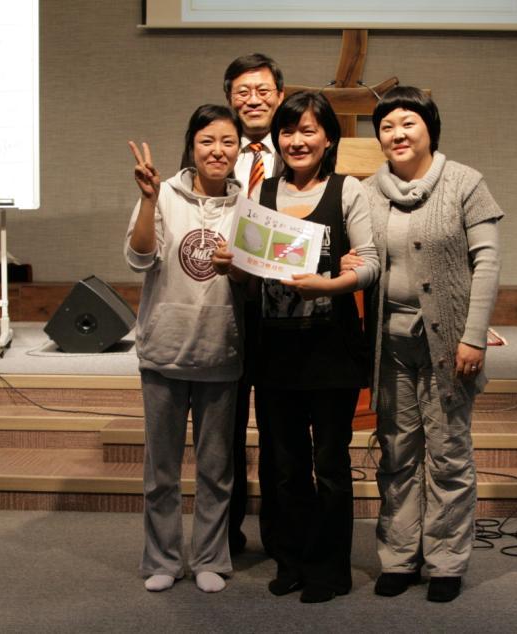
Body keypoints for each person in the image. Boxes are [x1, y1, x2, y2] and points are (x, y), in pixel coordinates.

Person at [351, 86, 504, 603]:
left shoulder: (465, 182)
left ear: (429, 128)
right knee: (396, 453)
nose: (397, 133)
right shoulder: (366, 191)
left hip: (449, 346)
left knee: (447, 454)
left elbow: (487, 263)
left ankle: (446, 563)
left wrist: (474, 335)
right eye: (387, 126)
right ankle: (398, 557)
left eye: (407, 122)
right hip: (388, 345)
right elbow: (362, 256)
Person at [250, 90, 379, 603]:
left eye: (308, 130)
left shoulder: (349, 191)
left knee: (329, 464)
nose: (297, 141)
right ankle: (292, 561)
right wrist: (230, 264)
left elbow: (369, 263)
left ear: (328, 138)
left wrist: (329, 285)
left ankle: (329, 570)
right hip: (274, 351)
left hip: (331, 351)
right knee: (284, 465)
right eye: (287, 131)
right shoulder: (262, 192)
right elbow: (249, 266)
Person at [124, 104, 245, 594]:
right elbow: (139, 258)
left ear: (239, 150)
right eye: (207, 141)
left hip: (221, 350)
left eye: (228, 142)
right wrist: (148, 201)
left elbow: (256, 277)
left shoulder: (248, 204)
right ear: (191, 147)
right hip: (164, 349)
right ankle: (163, 558)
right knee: (161, 472)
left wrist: (238, 266)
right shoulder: (163, 193)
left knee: (216, 471)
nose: (217, 150)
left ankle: (211, 558)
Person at [222, 53, 285, 556]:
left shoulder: (300, 150)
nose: (254, 100)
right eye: (243, 91)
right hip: (227, 305)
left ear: (280, 96)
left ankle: (282, 536)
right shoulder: (218, 150)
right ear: (229, 98)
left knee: (280, 426)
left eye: (263, 90)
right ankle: (225, 533)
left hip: (285, 308)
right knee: (226, 424)